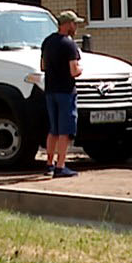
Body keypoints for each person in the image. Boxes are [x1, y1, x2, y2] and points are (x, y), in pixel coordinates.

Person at [39, 10, 85, 178]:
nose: (76, 26)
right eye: (74, 23)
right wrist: (81, 69)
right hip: (66, 91)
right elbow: (74, 71)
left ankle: (49, 164)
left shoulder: (47, 42)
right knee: (65, 130)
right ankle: (61, 166)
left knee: (53, 130)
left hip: (50, 90)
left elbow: (43, 66)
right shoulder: (69, 44)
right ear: (67, 24)